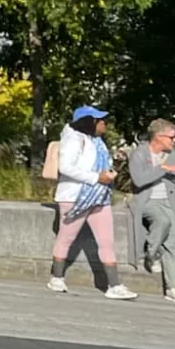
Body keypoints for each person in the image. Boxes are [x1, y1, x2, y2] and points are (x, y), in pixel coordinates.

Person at [50, 104, 135, 299]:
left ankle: (114, 285)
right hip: (75, 196)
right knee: (66, 237)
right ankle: (56, 277)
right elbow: (66, 167)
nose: (105, 123)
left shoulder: (97, 141)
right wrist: (96, 177)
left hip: (99, 196)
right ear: (90, 122)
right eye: (101, 120)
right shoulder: (73, 139)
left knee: (106, 241)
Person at [128, 120, 175, 301]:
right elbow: (139, 180)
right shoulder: (140, 153)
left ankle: (172, 288)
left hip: (169, 200)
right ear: (159, 137)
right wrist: (163, 169)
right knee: (163, 221)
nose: (174, 141)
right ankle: (152, 254)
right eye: (172, 137)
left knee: (173, 242)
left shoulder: (172, 154)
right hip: (147, 200)